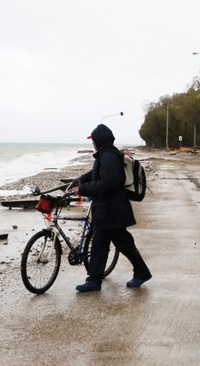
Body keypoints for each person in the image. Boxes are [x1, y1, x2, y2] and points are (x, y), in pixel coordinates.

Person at [74, 123, 152, 292]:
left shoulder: (108, 156)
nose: (92, 143)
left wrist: (83, 188)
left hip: (112, 211)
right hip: (107, 210)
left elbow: (109, 182)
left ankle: (141, 272)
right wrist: (81, 179)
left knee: (122, 244)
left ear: (99, 141)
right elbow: (98, 173)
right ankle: (94, 280)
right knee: (100, 244)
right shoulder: (106, 154)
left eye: (93, 140)